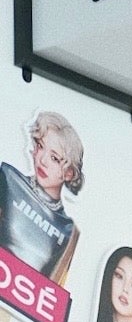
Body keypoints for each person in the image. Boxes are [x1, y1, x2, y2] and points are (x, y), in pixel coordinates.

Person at [0, 110, 84, 283]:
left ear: (69, 173)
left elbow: (55, 287)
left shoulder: (68, 230)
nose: (43, 160)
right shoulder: (8, 179)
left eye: (54, 158)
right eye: (40, 146)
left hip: (22, 297)